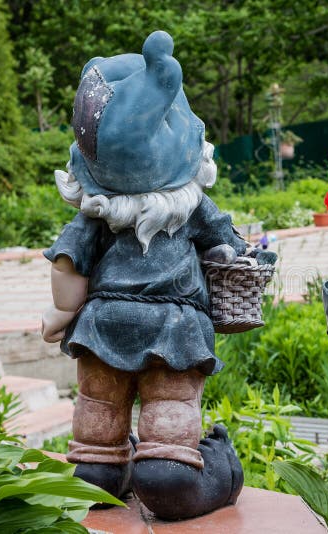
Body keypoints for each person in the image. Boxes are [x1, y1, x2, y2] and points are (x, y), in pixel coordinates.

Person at [41, 30, 253, 520]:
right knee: (169, 429)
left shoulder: (93, 216)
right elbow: (228, 247)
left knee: (98, 419)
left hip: (102, 327)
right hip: (176, 332)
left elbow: (68, 270)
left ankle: (99, 468)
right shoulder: (192, 207)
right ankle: (181, 475)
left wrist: (60, 314)